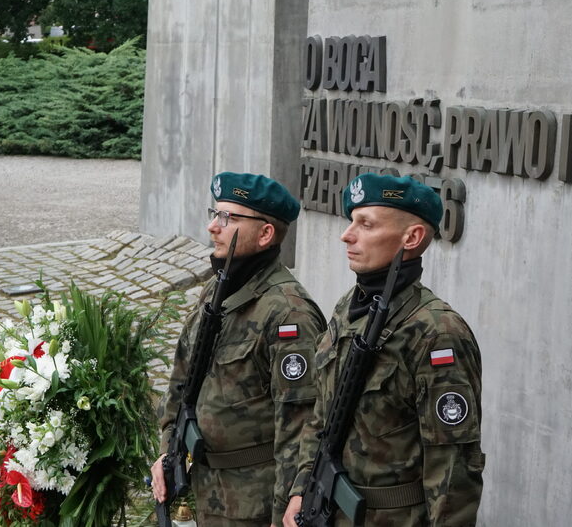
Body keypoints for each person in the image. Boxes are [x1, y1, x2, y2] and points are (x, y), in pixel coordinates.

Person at [282, 173, 485, 526]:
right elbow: (323, 413)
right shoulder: (351, 307)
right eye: (351, 221)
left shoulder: (436, 332)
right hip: (327, 509)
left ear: (412, 237)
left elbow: (453, 469)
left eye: (366, 224)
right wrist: (301, 488)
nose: (347, 234)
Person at [152, 171, 327, 527]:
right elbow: (182, 381)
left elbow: (302, 426)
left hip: (254, 503)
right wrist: (166, 452)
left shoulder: (287, 312)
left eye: (228, 218)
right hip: (205, 489)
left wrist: (285, 512)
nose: (212, 227)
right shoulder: (218, 289)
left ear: (265, 234)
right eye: (214, 214)